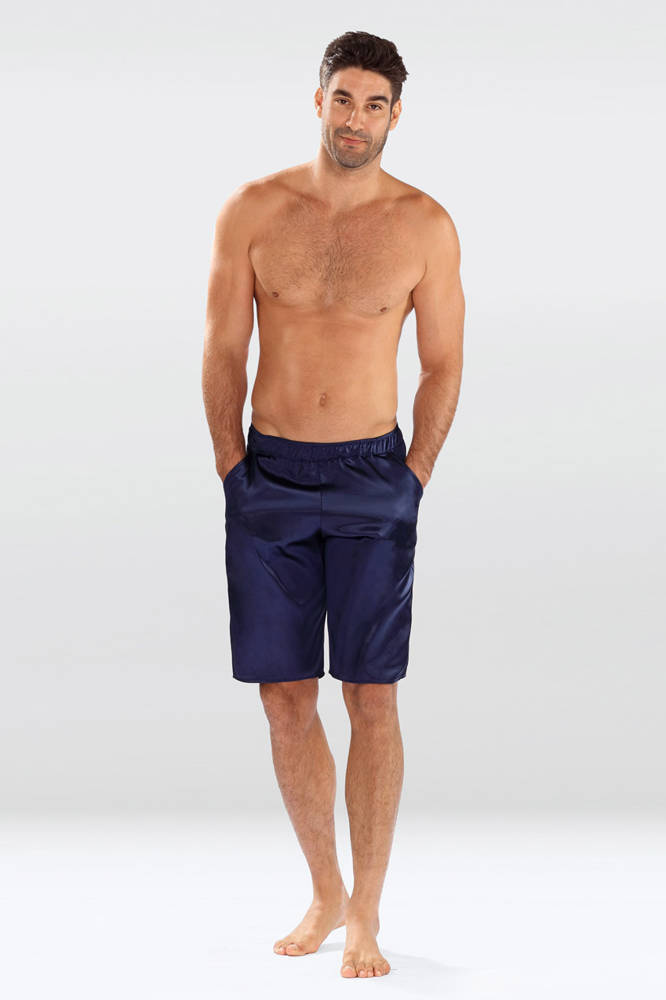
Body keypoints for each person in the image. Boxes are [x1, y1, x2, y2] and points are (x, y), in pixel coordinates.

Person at [201, 29, 465, 980]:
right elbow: (223, 348)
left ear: (396, 117)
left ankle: (369, 915)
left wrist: (413, 477)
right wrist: (232, 467)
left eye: (375, 104)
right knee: (284, 698)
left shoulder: (425, 225)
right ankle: (326, 891)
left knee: (372, 695)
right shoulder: (254, 210)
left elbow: (443, 364)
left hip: (372, 477)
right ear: (318, 101)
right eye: (344, 99)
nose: (357, 119)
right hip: (268, 475)